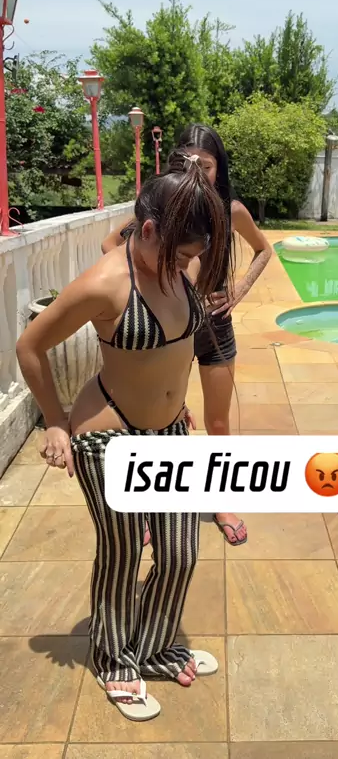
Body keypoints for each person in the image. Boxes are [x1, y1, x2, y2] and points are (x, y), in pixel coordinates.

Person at [15, 152, 228, 721]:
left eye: (192, 256)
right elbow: (29, 346)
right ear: (148, 229)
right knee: (124, 550)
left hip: (169, 431)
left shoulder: (176, 266)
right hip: (109, 437)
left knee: (180, 553)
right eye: (179, 255)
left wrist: (176, 402)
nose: (185, 266)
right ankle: (114, 657)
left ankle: (154, 647)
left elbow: (173, 350)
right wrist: (55, 420)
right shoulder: (104, 284)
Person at [102, 124, 272, 547]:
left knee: (218, 421)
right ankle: (144, 504)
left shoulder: (230, 210)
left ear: (219, 169)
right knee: (151, 417)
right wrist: (145, 290)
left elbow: (264, 249)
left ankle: (221, 501)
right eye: (186, 161)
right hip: (166, 330)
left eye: (206, 164)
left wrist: (238, 289)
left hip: (213, 326)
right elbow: (111, 245)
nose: (196, 169)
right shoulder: (163, 207)